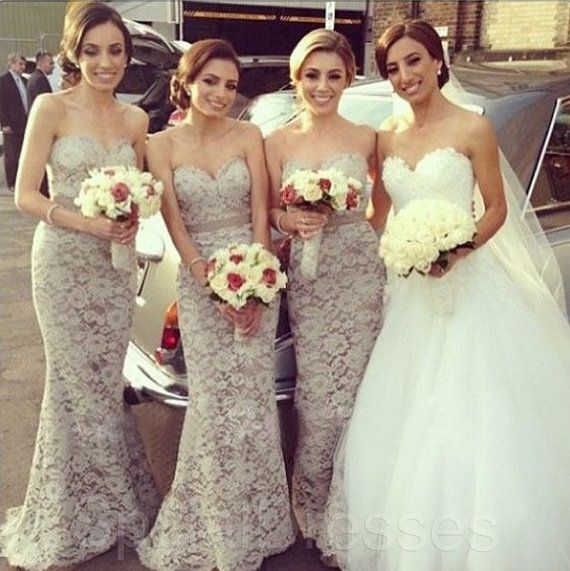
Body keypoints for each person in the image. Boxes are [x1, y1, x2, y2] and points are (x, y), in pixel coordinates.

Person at [322, 19, 570, 571]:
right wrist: (330, 222)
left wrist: (457, 249)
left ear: (438, 61)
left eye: (414, 61)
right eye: (392, 69)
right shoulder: (386, 135)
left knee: (472, 409)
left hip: (469, 286)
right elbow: (378, 215)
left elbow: (496, 209)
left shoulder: (474, 127)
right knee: (404, 407)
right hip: (408, 292)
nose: (405, 76)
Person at [0, 4, 160, 570]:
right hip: (63, 264)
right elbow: (26, 194)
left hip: (114, 269)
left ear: (127, 56)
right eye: (92, 51)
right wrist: (89, 224)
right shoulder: (51, 107)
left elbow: (142, 190)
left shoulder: (136, 120)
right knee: (70, 384)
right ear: (74, 52)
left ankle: (102, 501)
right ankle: (76, 510)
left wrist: (133, 215)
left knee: (102, 382)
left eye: (115, 51)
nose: (104, 62)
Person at [136, 39, 294, 571]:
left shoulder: (250, 136)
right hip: (200, 282)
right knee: (212, 404)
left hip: (255, 276)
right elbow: (176, 226)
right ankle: (212, 524)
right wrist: (212, 285)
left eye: (230, 85)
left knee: (252, 403)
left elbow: (259, 215)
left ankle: (260, 521)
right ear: (188, 82)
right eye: (210, 81)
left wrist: (257, 286)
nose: (221, 93)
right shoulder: (160, 144)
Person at [264, 29, 387, 565]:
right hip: (312, 284)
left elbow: (382, 203)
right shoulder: (276, 142)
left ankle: (353, 507)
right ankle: (311, 508)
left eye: (334, 76)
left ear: (348, 79)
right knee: (318, 399)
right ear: (297, 78)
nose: (322, 86)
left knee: (360, 397)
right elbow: (268, 212)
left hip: (361, 276)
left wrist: (367, 238)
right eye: (312, 75)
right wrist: (291, 220)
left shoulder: (366, 137)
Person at [27, 51, 55, 197]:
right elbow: (46, 108)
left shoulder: (34, 78)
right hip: (42, 127)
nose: (53, 66)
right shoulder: (39, 80)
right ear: (42, 63)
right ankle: (43, 191)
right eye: (51, 63)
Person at [0, 53, 28, 191]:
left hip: (23, 123)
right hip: (10, 125)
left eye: (24, 65)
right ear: (11, 64)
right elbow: (1, 104)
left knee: (22, 153)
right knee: (11, 154)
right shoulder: (3, 81)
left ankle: (22, 180)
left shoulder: (24, 81)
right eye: (20, 64)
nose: (22, 67)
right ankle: (12, 182)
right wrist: (4, 124)